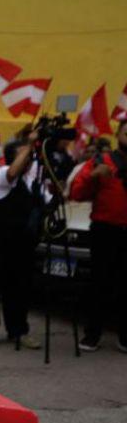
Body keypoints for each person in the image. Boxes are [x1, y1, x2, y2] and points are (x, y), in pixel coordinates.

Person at [0, 134, 47, 350]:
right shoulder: (2, 174)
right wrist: (30, 144)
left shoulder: (33, 183)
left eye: (29, 157)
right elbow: (13, 172)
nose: (28, 160)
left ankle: (18, 330)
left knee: (20, 289)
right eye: (23, 155)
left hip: (23, 245)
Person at [70, 119, 127, 353]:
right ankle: (92, 334)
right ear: (118, 134)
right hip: (105, 231)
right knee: (99, 284)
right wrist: (93, 176)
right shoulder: (101, 161)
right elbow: (76, 193)